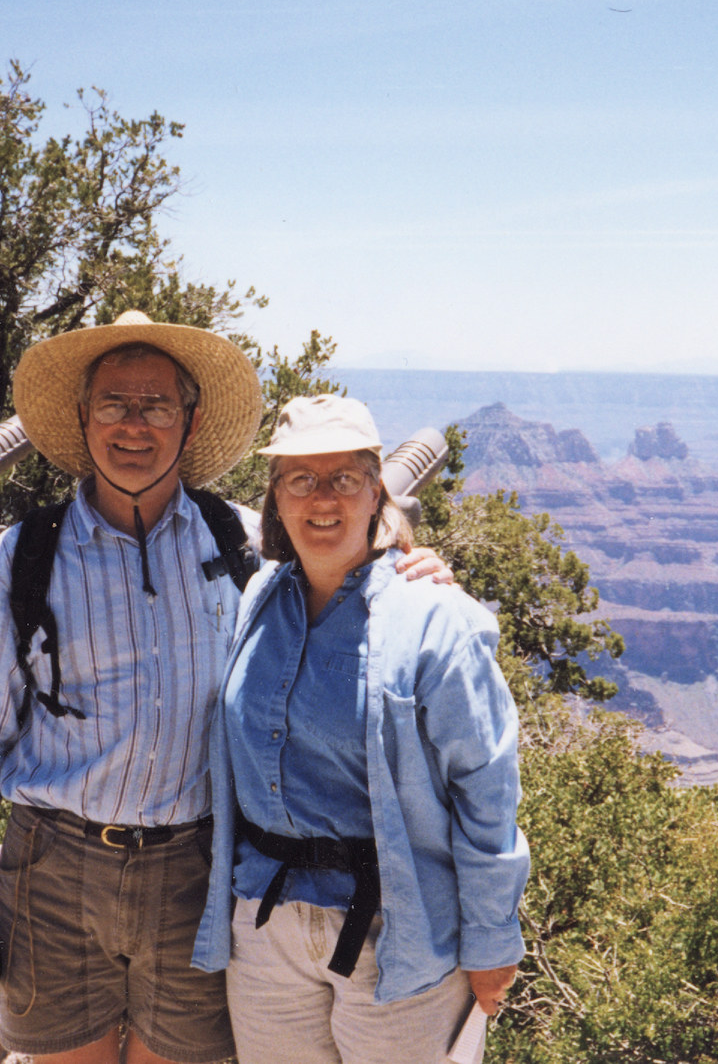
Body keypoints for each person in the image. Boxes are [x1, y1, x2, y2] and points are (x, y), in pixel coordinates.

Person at [0, 313, 448, 1064]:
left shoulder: (248, 548)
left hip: (198, 871)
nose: (134, 425)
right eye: (114, 403)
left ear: (189, 420)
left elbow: (347, 577)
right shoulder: (23, 557)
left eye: (156, 405)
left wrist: (414, 574)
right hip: (53, 868)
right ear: (82, 417)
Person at [191, 395, 528, 1064]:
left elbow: (485, 789)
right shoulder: (255, 600)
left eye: (344, 478)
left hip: (395, 932)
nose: (322, 498)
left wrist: (492, 941)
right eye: (300, 479)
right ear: (275, 498)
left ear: (375, 491)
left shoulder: (434, 621)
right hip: (263, 928)